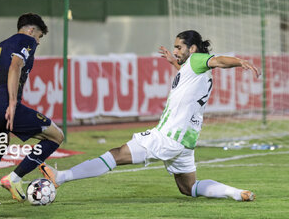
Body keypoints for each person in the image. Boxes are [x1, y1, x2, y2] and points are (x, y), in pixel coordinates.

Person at [40, 30, 260, 201]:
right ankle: (236, 193)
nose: (175, 51)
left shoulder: (197, 60)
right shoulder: (193, 70)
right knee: (188, 188)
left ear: (192, 48)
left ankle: (61, 177)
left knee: (115, 154)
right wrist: (174, 63)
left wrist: (238, 61)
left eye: (179, 47)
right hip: (186, 141)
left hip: (167, 137)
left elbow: (218, 60)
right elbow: (189, 78)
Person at [0, 13, 64, 206]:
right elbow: (15, 66)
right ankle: (13, 179)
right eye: (39, 37)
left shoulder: (1, 45)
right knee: (56, 136)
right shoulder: (26, 40)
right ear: (31, 30)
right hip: (4, 104)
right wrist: (12, 103)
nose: (38, 42)